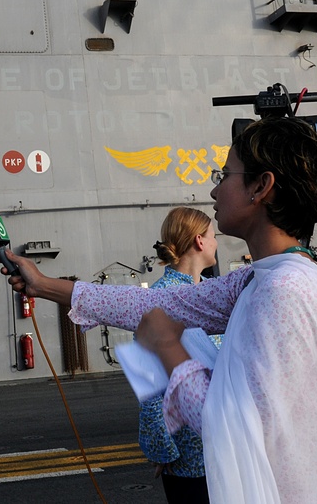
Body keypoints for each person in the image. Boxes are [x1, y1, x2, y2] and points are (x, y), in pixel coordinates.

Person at [4, 117, 317, 503]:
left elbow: (233, 427)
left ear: (261, 187)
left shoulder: (284, 291)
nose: (214, 191)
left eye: (225, 176)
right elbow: (161, 302)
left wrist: (168, 351)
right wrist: (44, 285)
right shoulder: (275, 276)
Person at [139, 207, 220, 504]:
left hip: (214, 448)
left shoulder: (211, 292)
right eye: (213, 236)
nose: (215, 242)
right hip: (192, 454)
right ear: (200, 241)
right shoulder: (160, 299)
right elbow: (151, 386)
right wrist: (164, 450)